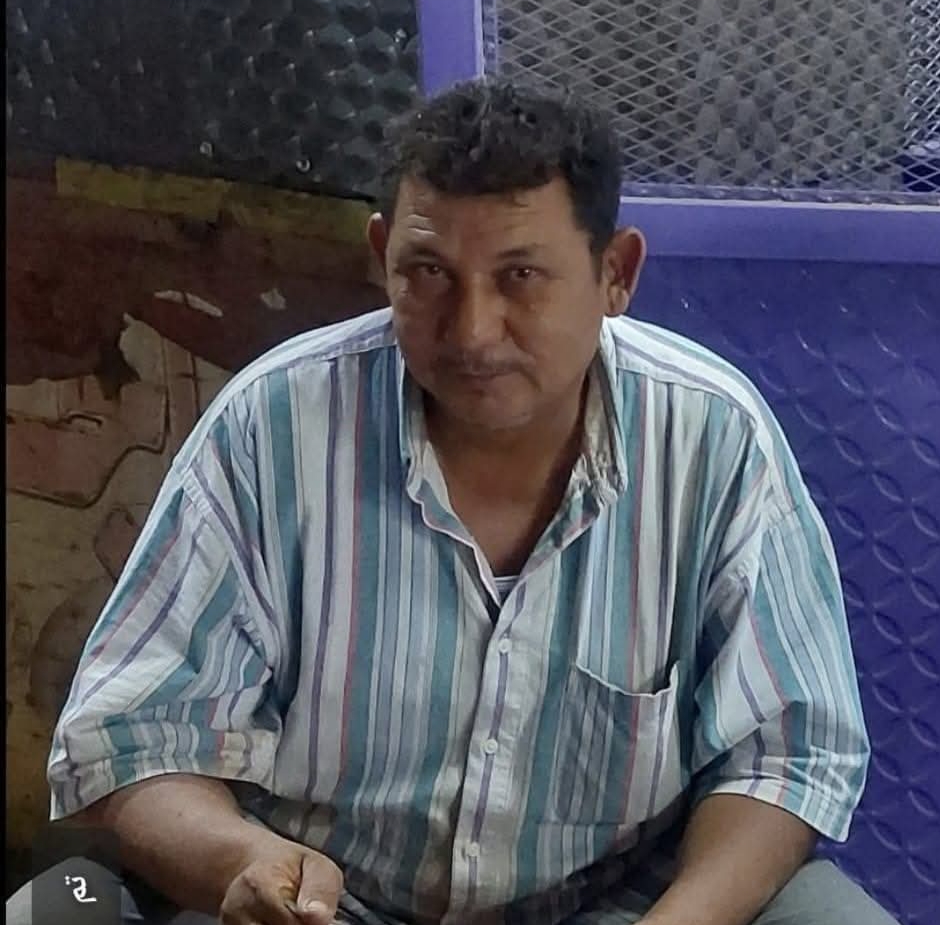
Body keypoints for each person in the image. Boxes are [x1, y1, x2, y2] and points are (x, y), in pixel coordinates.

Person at [7, 78, 898, 925]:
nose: (472, 330)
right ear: (380, 258)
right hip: (325, 906)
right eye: (429, 272)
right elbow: (135, 736)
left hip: (626, 906)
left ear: (616, 274)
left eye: (521, 276)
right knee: (57, 908)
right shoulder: (271, 428)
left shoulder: (714, 438)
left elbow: (783, 756)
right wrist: (243, 861)